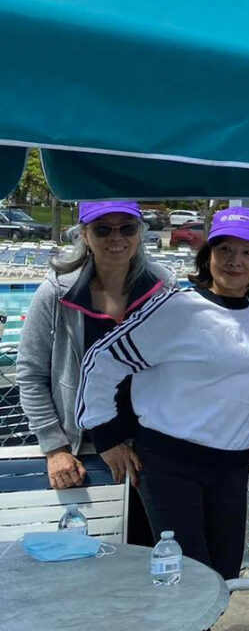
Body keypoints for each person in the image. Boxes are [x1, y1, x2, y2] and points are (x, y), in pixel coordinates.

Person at [76, 206, 249, 580]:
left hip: (233, 467)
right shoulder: (177, 309)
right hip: (171, 465)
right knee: (187, 578)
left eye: (248, 252)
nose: (235, 261)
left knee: (223, 575)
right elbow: (102, 360)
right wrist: (105, 435)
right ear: (208, 256)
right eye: (224, 250)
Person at [17, 200, 173, 544]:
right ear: (85, 234)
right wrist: (55, 447)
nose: (115, 238)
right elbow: (29, 373)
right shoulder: (57, 292)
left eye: (127, 228)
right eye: (103, 229)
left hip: (149, 450)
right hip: (82, 450)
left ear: (139, 233)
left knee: (148, 559)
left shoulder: (161, 290)